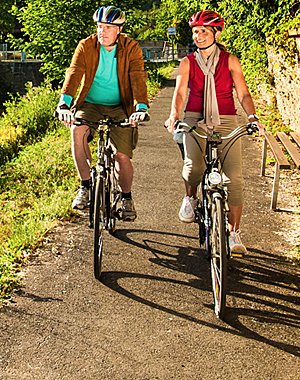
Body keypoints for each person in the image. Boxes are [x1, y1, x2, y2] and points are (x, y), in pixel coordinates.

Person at [165, 10, 264, 255]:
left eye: (203, 31)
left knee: (235, 180)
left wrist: (252, 117)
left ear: (216, 33)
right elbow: (179, 93)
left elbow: (242, 92)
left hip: (226, 119)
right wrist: (174, 117)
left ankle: (233, 233)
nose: (198, 36)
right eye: (195, 32)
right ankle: (190, 197)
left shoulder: (230, 60)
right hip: (194, 118)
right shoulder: (187, 62)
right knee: (193, 167)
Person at [55, 5, 150, 221]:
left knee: (122, 155)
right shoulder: (86, 46)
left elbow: (137, 78)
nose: (102, 32)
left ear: (119, 29)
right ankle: (85, 186)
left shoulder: (131, 47)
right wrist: (64, 104)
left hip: (121, 105)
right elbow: (74, 73)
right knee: (77, 129)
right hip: (90, 103)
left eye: (108, 27)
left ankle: (126, 198)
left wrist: (141, 107)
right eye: (99, 27)